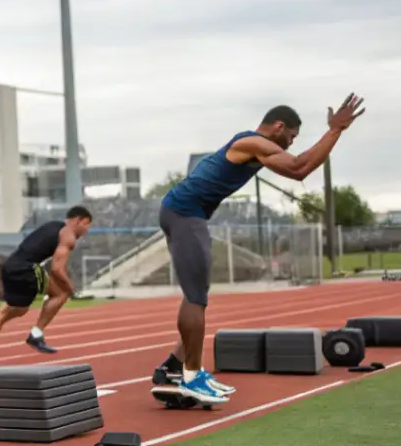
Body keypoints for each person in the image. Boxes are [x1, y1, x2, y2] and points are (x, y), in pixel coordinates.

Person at [153, 96, 365, 405]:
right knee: (196, 298)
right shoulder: (253, 142)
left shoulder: (250, 144)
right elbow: (298, 168)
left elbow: (297, 165)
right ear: (278, 127)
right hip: (184, 213)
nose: (290, 144)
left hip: (187, 213)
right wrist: (335, 130)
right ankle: (192, 375)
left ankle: (173, 367)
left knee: (198, 294)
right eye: (290, 137)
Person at [0, 205, 93, 363]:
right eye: (86, 224)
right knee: (61, 293)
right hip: (26, 269)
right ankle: (36, 335)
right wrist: (71, 289)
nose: (86, 230)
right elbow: (57, 269)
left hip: (10, 266)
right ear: (78, 220)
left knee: (8, 312)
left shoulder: (53, 225)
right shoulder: (68, 236)